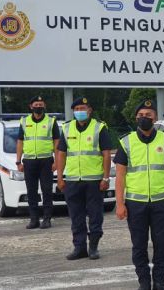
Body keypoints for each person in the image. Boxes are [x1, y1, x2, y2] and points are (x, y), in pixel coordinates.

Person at [114, 99, 164, 290]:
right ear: (136, 118)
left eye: (149, 115)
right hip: (135, 203)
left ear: (155, 118)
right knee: (139, 246)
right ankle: (144, 282)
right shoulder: (126, 141)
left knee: (161, 245)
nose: (145, 118)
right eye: (141, 116)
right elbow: (120, 176)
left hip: (162, 202)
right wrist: (120, 204)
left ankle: (159, 282)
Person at [56, 97, 112, 260]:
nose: (80, 111)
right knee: (76, 216)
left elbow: (106, 153)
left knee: (95, 215)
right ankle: (79, 248)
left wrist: (106, 178)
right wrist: (60, 178)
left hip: (94, 180)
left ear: (90, 110)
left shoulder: (99, 127)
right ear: (73, 111)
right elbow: (61, 154)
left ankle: (93, 247)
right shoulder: (66, 128)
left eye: (83, 108)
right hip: (72, 180)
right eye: (77, 109)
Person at [16, 96, 60, 229]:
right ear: (31, 106)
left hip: (46, 161)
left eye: (41, 104)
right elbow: (20, 142)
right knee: (31, 192)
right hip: (29, 161)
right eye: (36, 104)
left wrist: (56, 161)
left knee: (47, 190)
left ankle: (47, 219)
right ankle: (34, 219)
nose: (38, 106)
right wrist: (18, 161)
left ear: (44, 106)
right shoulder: (24, 121)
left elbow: (56, 142)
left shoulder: (51, 121)